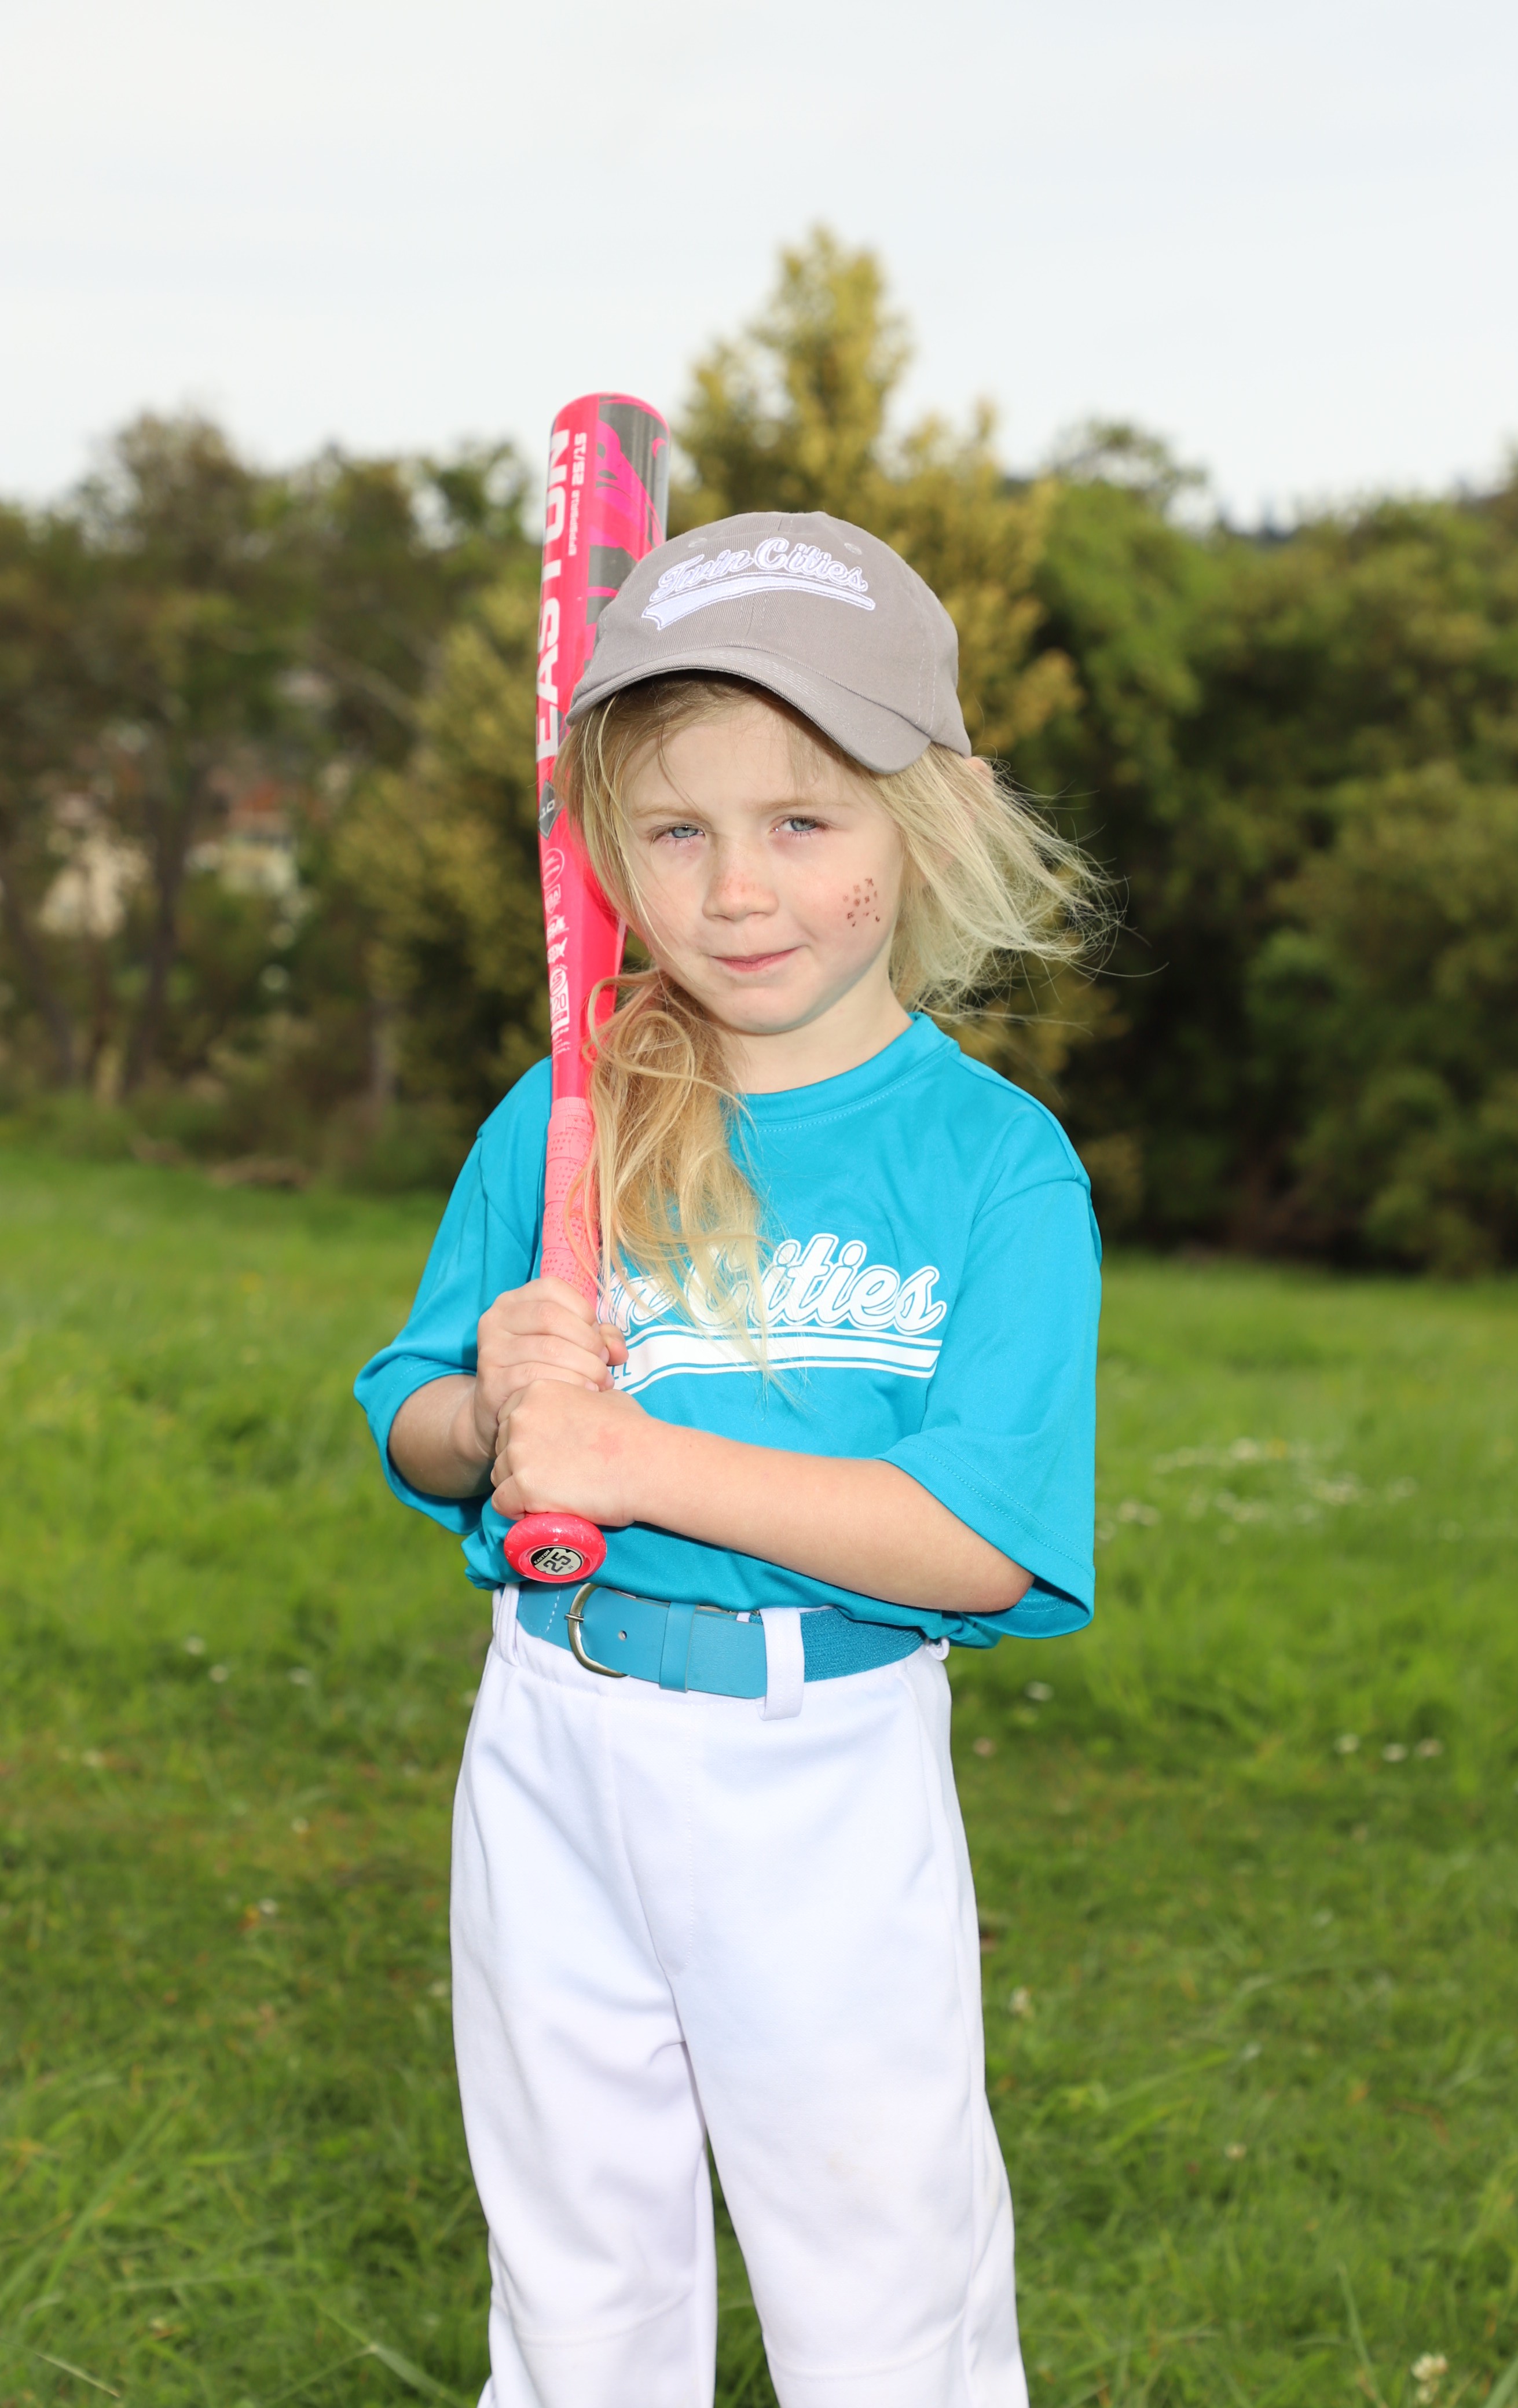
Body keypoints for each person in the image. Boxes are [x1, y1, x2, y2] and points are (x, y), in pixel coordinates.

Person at [355, 511, 1103, 2408]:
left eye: (803, 822)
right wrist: (493, 1412)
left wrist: (634, 1460)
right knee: (575, 2285)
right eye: (676, 830)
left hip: (820, 1768)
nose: (739, 889)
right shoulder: (566, 1111)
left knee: (880, 2300)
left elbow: (979, 1545)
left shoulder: (996, 1166)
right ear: (605, 850)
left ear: (923, 825)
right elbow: (420, 1421)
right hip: (553, 1739)